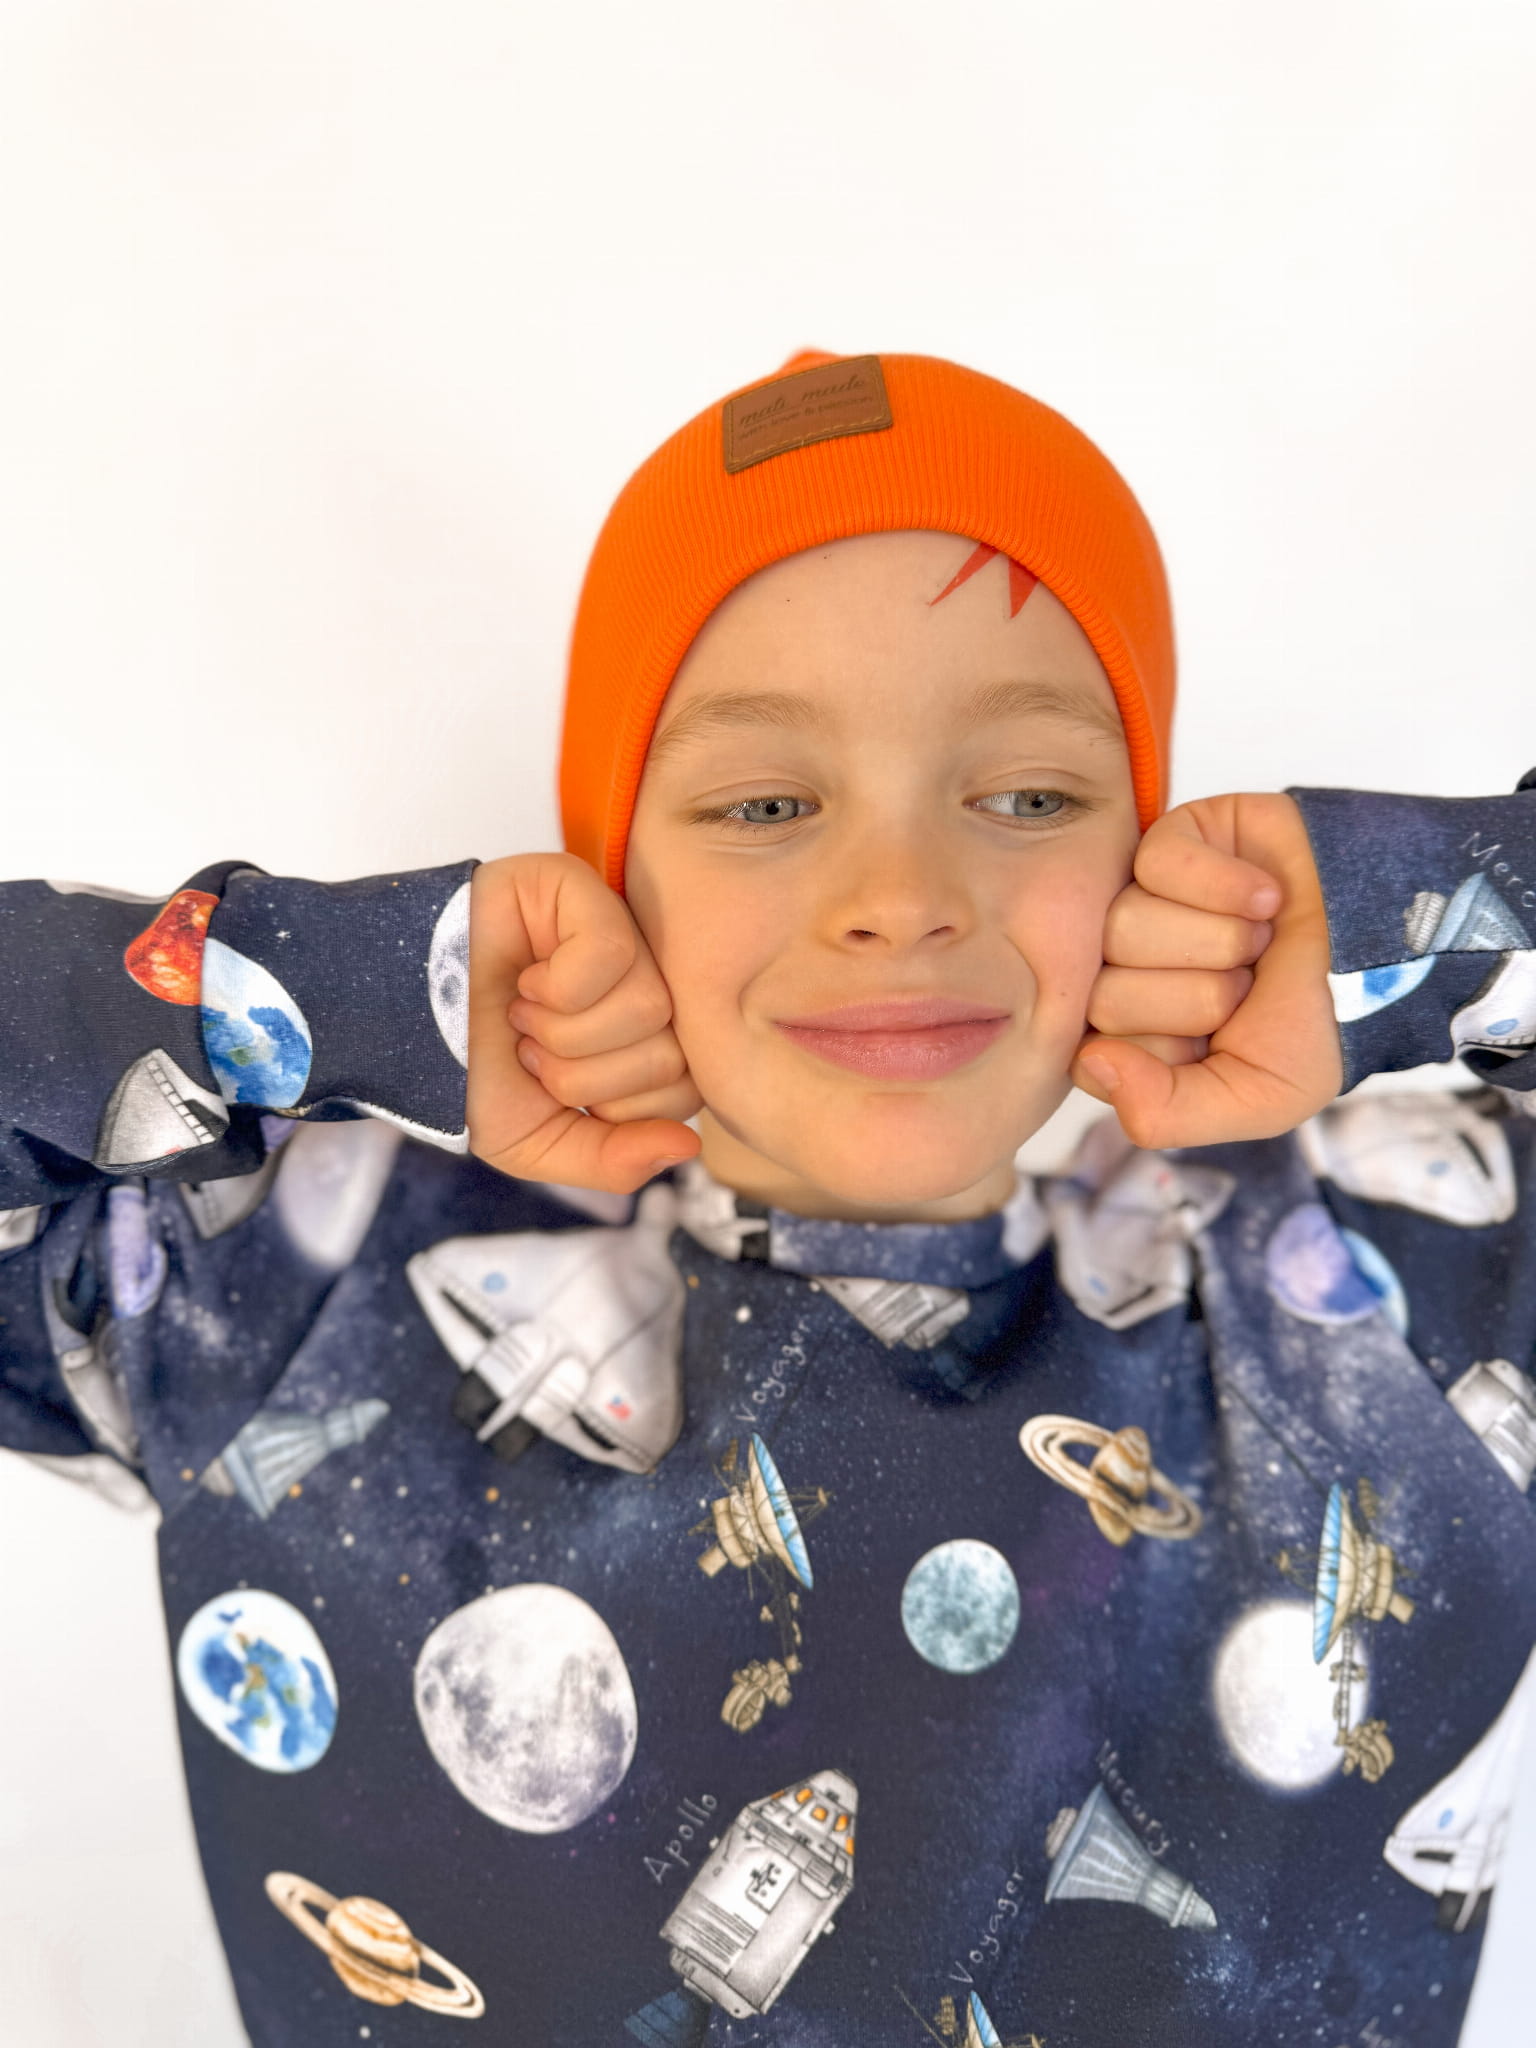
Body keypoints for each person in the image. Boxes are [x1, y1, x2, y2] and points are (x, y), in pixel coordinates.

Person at [1, 348, 1533, 2048]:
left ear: (1150, 854)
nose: (901, 892)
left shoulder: (1395, 1281)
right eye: (767, 803)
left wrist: (1428, 929)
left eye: (1029, 795)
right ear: (608, 870)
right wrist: (340, 993)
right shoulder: (302, 1283)